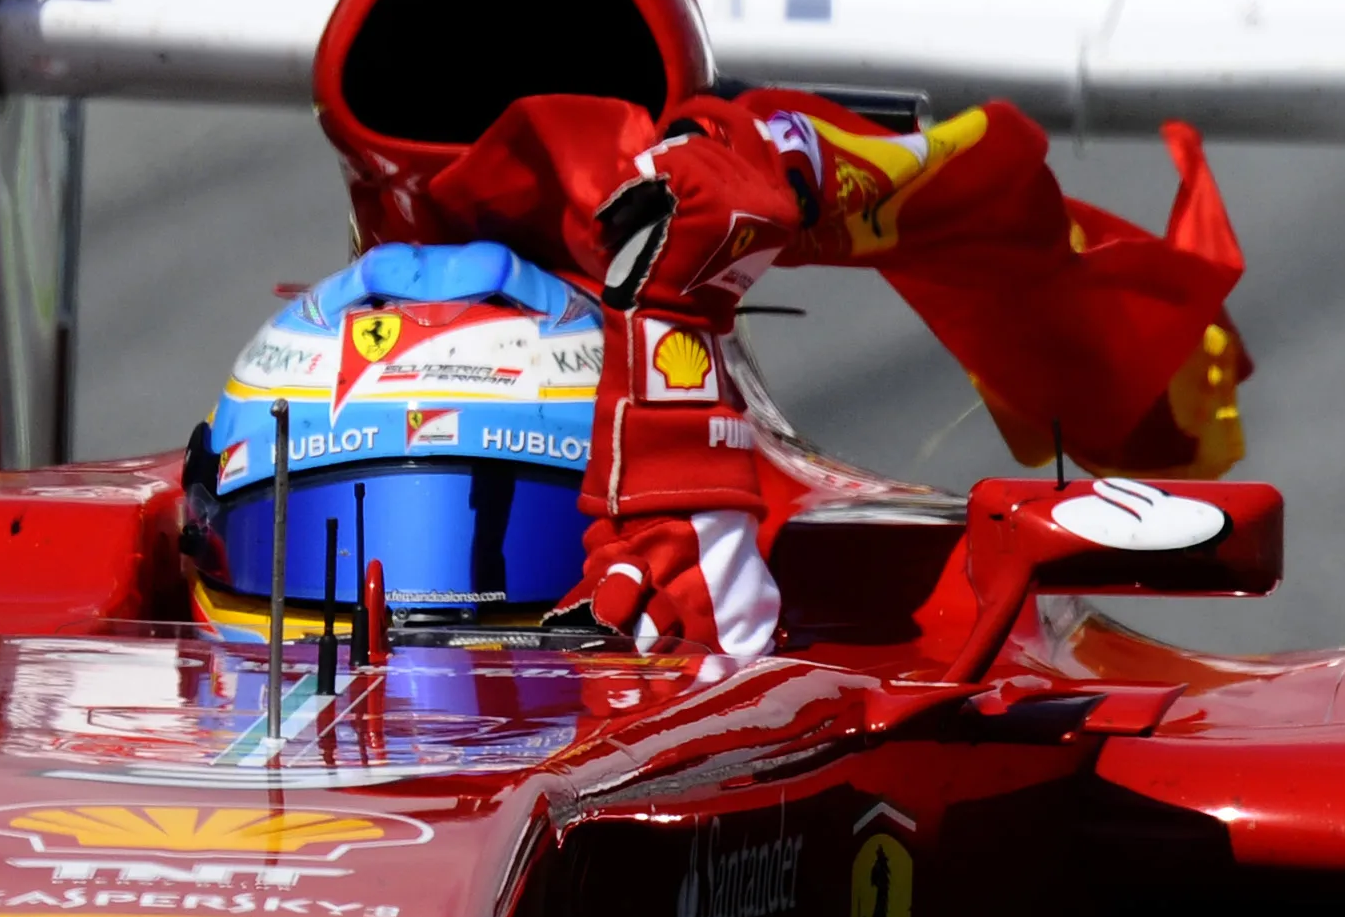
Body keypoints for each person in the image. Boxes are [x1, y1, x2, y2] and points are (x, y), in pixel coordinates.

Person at [184, 89, 1248, 659]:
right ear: (211, 523)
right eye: (325, 532)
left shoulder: (704, 597)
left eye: (486, 532)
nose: (398, 624)